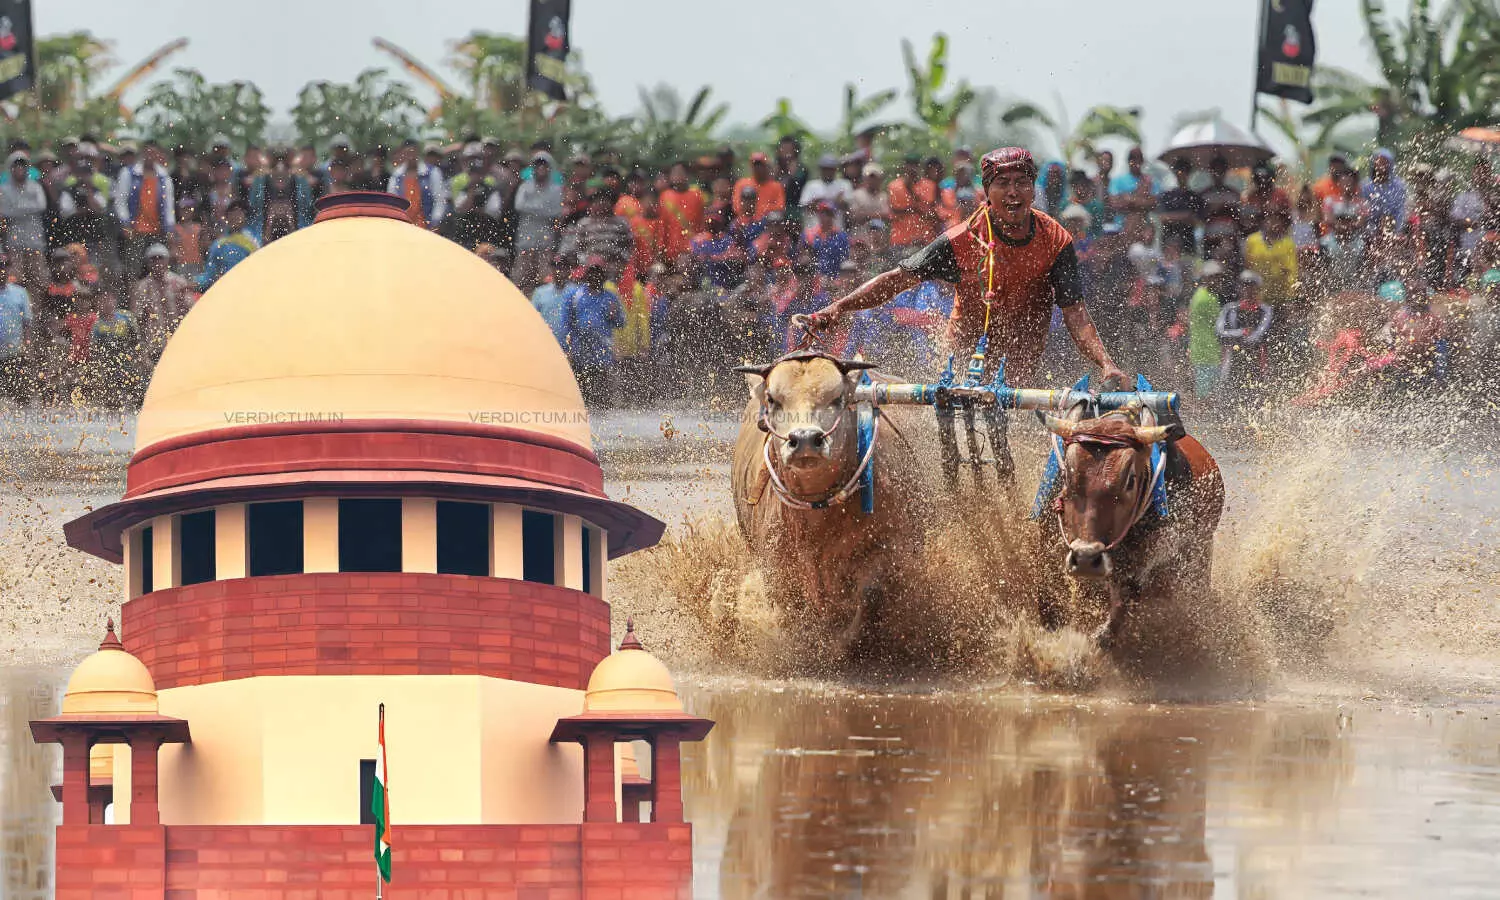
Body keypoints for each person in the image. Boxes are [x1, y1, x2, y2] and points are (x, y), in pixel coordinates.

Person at [807, 147, 1126, 392]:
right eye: (1003, 183)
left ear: (1033, 189)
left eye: (1021, 182)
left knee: (1012, 419)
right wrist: (839, 307)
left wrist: (1106, 364)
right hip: (963, 350)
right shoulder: (960, 240)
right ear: (987, 192)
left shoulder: (1055, 239)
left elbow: (1076, 313)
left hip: (1023, 351)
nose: (1013, 192)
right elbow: (897, 280)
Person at [561, 257, 624, 404]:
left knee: (602, 402)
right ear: (586, 274)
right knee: (580, 401)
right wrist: (567, 348)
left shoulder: (610, 297)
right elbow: (566, 324)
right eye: (592, 272)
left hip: (602, 358)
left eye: (598, 272)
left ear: (603, 275)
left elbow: (621, 323)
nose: (595, 276)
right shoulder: (574, 296)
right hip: (579, 356)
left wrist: (614, 315)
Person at [114, 142, 176, 277]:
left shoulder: (164, 177)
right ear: (142, 154)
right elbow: (120, 201)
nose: (150, 156)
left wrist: (170, 230)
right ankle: (133, 298)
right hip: (135, 231)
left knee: (158, 272)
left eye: (153, 153)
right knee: (133, 271)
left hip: (158, 231)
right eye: (147, 153)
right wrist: (125, 224)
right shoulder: (129, 173)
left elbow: (169, 205)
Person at [132, 243, 196, 363]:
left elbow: (192, 311)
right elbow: (137, 318)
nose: (157, 263)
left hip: (179, 340)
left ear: (167, 261)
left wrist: (182, 303)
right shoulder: (142, 287)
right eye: (153, 260)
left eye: (160, 259)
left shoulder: (178, 282)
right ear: (148, 263)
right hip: (155, 344)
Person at [1216, 270, 1274, 399]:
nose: (1248, 290)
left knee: (1257, 401)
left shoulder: (1265, 310)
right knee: (1228, 403)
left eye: (1252, 286)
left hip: (1257, 365)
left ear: (1258, 289)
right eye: (1245, 286)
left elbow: (1260, 336)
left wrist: (1237, 338)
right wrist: (1242, 333)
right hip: (1232, 365)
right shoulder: (1229, 309)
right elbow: (1220, 334)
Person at [512, 152, 564, 294]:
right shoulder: (525, 187)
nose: (541, 168)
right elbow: (519, 206)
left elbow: (555, 211)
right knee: (521, 281)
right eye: (538, 165)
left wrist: (533, 207)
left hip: (545, 243)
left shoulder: (556, 189)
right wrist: (542, 208)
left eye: (544, 165)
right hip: (525, 241)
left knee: (544, 280)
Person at [0, 150, 50, 296]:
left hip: (35, 242)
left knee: (38, 280)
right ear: (11, 168)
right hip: (14, 243)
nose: (20, 169)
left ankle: (35, 314)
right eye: (16, 166)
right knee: (16, 279)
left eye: (22, 166)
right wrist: (27, 207)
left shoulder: (35, 186)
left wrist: (17, 208)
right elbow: (5, 211)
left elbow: (41, 206)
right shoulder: (4, 189)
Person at [1187, 261, 1229, 399]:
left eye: (1218, 277)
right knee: (1206, 395)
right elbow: (1221, 326)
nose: (1217, 280)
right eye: (1213, 277)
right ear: (1205, 278)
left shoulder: (1203, 294)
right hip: (1206, 351)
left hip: (1207, 350)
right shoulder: (1206, 299)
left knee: (1208, 392)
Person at [197, 201, 259, 292]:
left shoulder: (253, 241)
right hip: (225, 290)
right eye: (232, 214)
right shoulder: (218, 244)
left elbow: (257, 270)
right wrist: (195, 282)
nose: (235, 217)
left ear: (245, 217)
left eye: (239, 213)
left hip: (247, 289)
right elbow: (210, 274)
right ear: (227, 217)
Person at [386, 140, 447, 230]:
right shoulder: (397, 175)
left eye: (412, 153)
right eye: (407, 153)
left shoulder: (432, 172)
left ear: (418, 152)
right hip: (403, 226)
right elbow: (391, 201)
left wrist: (436, 221)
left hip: (427, 226)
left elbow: (440, 200)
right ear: (403, 154)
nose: (411, 156)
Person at [886, 154, 940, 257]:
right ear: (904, 167)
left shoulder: (929, 185)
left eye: (914, 165)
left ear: (919, 167)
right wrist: (913, 208)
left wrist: (912, 191)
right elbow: (894, 211)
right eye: (909, 165)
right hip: (900, 242)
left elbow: (930, 211)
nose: (912, 168)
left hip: (924, 241)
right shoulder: (894, 186)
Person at [0, 252, 32, 403]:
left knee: (21, 397)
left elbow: (27, 322)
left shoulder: (20, 292)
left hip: (14, 351)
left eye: (4, 266)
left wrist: (27, 345)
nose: (2, 269)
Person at [1157, 158, 1204, 254]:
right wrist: (1186, 216)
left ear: (1189, 173)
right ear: (1175, 173)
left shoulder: (1194, 197)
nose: (1181, 174)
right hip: (1168, 247)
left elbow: (1198, 221)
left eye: (1185, 171)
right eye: (1179, 170)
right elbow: (1162, 218)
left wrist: (1175, 217)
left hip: (1188, 245)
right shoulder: (1167, 195)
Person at [799, 154, 853, 226]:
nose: (828, 171)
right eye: (825, 168)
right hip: (814, 230)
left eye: (831, 168)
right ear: (820, 169)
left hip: (836, 230)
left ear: (835, 169)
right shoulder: (811, 185)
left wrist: (839, 201)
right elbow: (804, 207)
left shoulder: (844, 184)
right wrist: (820, 202)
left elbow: (849, 207)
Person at [1363, 148, 1407, 233]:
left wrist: (1396, 229)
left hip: (1394, 226)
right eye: (1379, 161)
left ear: (1390, 164)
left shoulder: (1399, 186)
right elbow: (1364, 210)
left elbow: (1400, 210)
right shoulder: (1366, 185)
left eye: (1384, 161)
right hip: (1371, 229)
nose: (1381, 165)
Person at [529, 256, 570, 348]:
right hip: (546, 344)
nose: (559, 270)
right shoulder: (540, 292)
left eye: (562, 266)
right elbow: (532, 319)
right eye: (556, 266)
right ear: (551, 269)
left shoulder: (576, 291)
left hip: (570, 345)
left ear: (568, 269)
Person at [733, 152, 786, 223]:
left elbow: (780, 207)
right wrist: (765, 208)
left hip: (767, 224)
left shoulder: (776, 186)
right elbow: (737, 207)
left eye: (761, 165)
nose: (758, 168)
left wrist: (756, 210)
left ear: (767, 167)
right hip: (744, 223)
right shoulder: (742, 183)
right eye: (755, 165)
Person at [803, 201, 850, 278]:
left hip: (836, 279)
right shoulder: (809, 234)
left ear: (833, 216)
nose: (824, 216)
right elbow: (804, 256)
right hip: (815, 280)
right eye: (822, 213)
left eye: (828, 213)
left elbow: (846, 259)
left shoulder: (841, 236)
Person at [848, 163, 888, 230]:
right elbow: (854, 217)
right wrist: (877, 215)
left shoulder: (885, 197)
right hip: (860, 236)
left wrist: (866, 215)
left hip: (880, 237)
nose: (873, 180)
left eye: (875, 178)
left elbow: (888, 216)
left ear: (880, 179)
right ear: (864, 178)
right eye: (870, 177)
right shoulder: (857, 195)